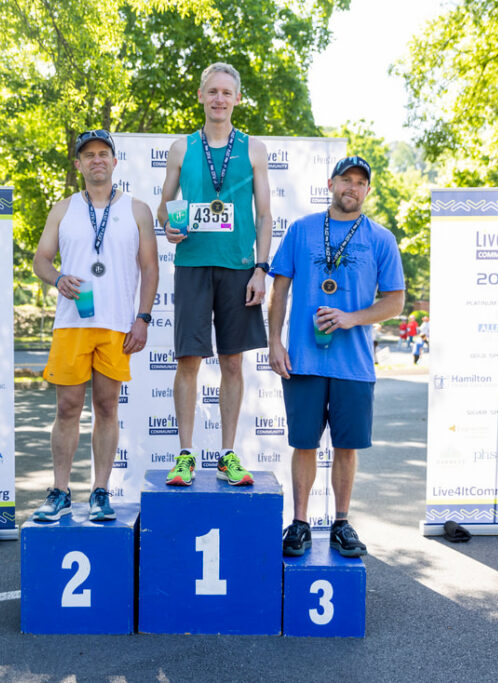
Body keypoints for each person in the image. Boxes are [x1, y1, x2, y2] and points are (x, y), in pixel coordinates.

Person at [268, 156, 405, 557]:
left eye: (361, 182)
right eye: (346, 179)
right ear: (331, 184)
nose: (352, 187)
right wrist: (274, 342)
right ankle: (299, 524)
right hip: (303, 360)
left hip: (354, 364)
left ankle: (341, 523)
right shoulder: (302, 230)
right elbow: (280, 290)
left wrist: (351, 318)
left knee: (346, 447)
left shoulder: (381, 238)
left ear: (368, 190)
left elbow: (395, 302)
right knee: (304, 444)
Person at [32, 129, 159, 522]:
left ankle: (100, 491)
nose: (97, 160)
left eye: (104, 153)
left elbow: (150, 268)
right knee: (67, 407)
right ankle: (60, 491)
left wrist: (143, 318)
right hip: (72, 323)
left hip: (117, 324)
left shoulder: (137, 209)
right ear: (79, 165)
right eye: (89, 155)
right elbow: (41, 260)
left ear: (115, 161)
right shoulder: (62, 209)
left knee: (107, 406)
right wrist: (57, 279)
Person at [156, 62, 272, 486]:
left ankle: (227, 456)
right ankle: (185, 455)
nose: (219, 99)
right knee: (188, 360)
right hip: (192, 264)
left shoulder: (254, 149)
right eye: (213, 91)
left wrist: (261, 268)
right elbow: (164, 207)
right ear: (201, 96)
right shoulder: (181, 148)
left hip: (238, 267)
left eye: (227, 92)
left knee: (232, 363)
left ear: (237, 98)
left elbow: (265, 215)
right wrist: (168, 226)